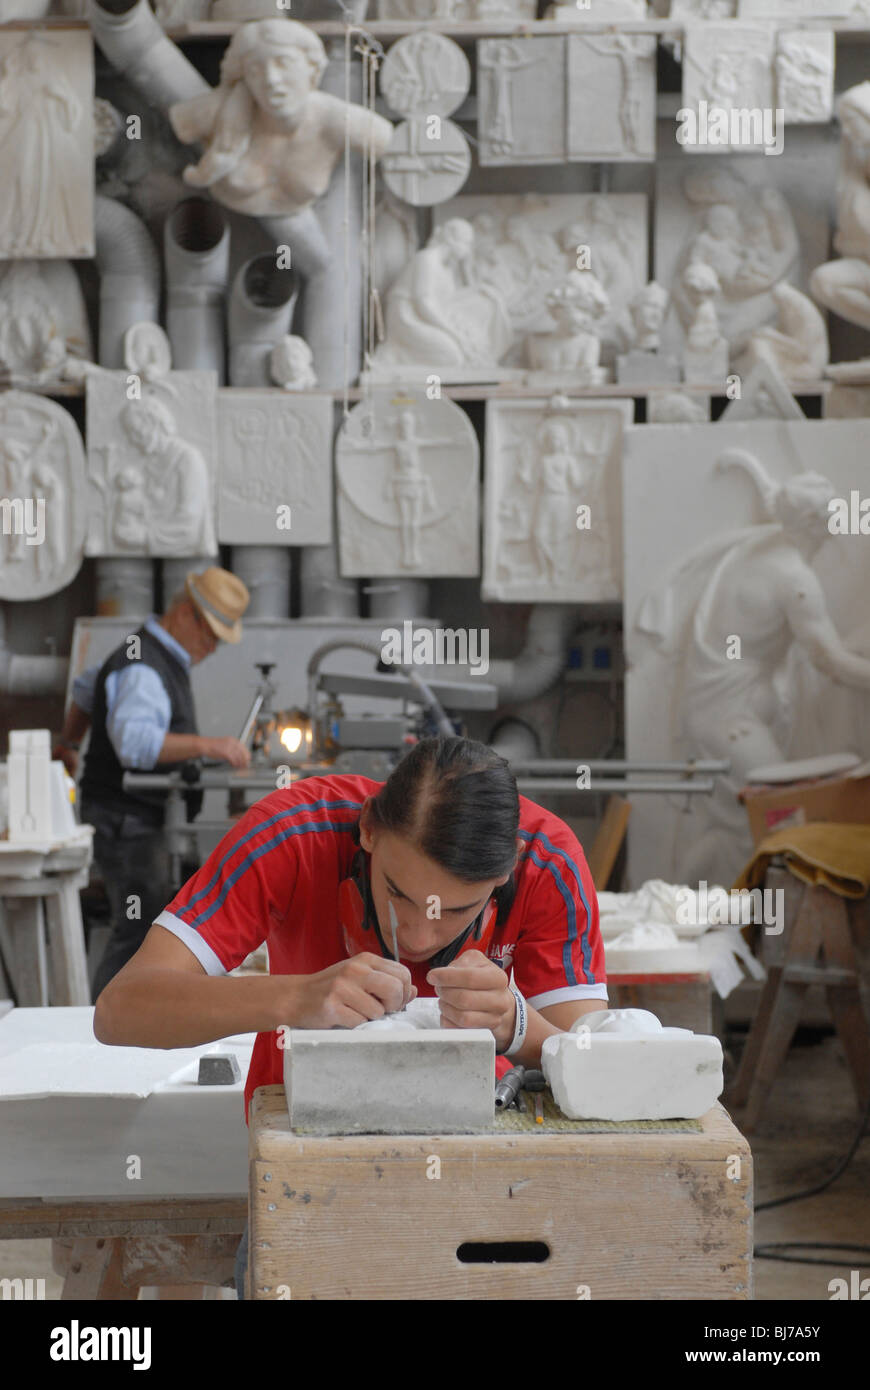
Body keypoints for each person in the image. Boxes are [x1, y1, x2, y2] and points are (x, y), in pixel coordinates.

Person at [93, 736, 608, 1296]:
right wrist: (294, 998)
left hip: (491, 1174)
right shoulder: (294, 832)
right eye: (397, 893)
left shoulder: (547, 861)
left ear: (505, 870)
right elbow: (123, 1008)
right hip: (307, 1171)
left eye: (456, 911)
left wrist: (518, 1026)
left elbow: (596, 1072)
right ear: (368, 829)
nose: (417, 936)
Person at [55, 567, 252, 999]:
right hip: (126, 819)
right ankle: (106, 1024)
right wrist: (209, 745)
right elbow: (135, 745)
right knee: (138, 928)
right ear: (185, 614)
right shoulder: (144, 665)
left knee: (146, 922)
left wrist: (69, 741)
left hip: (130, 817)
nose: (212, 648)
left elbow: (87, 690)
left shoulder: (137, 652)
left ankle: (121, 1021)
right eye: (211, 635)